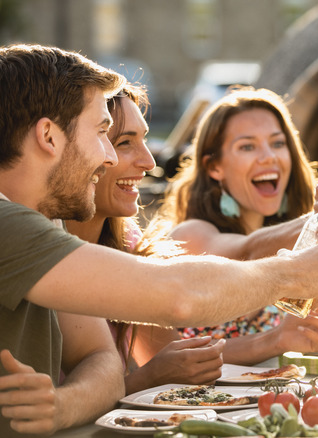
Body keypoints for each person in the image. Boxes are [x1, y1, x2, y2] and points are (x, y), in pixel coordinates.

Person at [0, 44, 318, 436]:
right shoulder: (7, 226)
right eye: (101, 133)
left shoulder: (45, 224)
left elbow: (103, 361)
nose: (108, 156)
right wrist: (290, 274)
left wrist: (62, 404)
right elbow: (178, 295)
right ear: (48, 136)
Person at [152, 87, 318, 365]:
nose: (269, 157)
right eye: (247, 146)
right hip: (191, 407)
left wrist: (304, 330)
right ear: (214, 167)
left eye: (278, 143)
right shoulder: (190, 236)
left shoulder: (286, 242)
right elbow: (249, 251)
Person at [64, 84, 227, 395]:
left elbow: (172, 358)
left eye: (144, 139)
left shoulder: (129, 244)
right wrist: (149, 378)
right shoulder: (44, 250)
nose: (150, 162)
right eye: (125, 142)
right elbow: (59, 406)